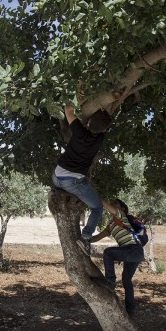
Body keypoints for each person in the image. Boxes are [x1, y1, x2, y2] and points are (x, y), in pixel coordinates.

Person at [52, 105, 111, 256]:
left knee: (81, 189)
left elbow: (67, 110)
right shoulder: (100, 139)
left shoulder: (78, 132)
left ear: (89, 121)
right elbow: (102, 128)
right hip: (72, 182)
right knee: (97, 208)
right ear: (104, 130)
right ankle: (85, 238)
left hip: (56, 176)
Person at [90, 199, 145, 317]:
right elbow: (97, 237)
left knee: (108, 253)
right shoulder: (111, 224)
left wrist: (95, 196)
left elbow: (106, 205)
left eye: (116, 203)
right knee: (126, 280)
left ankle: (110, 281)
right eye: (112, 203)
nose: (113, 205)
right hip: (135, 253)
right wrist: (85, 239)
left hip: (133, 249)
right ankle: (130, 310)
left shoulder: (121, 215)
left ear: (122, 208)